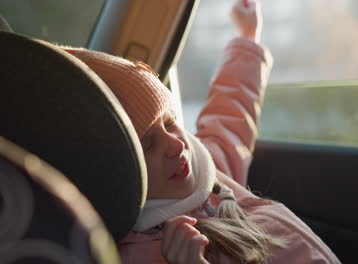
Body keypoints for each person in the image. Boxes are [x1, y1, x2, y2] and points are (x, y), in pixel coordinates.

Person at [63, 0, 340, 263]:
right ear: (116, 175)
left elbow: (230, 114)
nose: (174, 144)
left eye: (169, 122)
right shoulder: (144, 254)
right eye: (148, 144)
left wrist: (247, 37)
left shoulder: (209, 173)